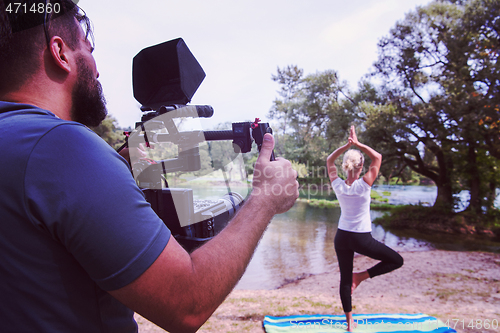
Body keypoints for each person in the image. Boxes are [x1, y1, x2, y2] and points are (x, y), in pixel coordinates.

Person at [0, 1, 299, 332]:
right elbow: (186, 304)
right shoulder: (61, 147)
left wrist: (116, 167)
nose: (98, 71)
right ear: (60, 52)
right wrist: (264, 198)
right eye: (88, 47)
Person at [326, 125, 403, 332]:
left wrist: (345, 146)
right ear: (361, 167)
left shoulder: (338, 185)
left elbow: (329, 161)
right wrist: (357, 144)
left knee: (344, 279)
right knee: (396, 260)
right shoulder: (365, 184)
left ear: (345, 166)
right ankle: (360, 277)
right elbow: (377, 157)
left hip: (342, 237)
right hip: (361, 238)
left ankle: (350, 324)